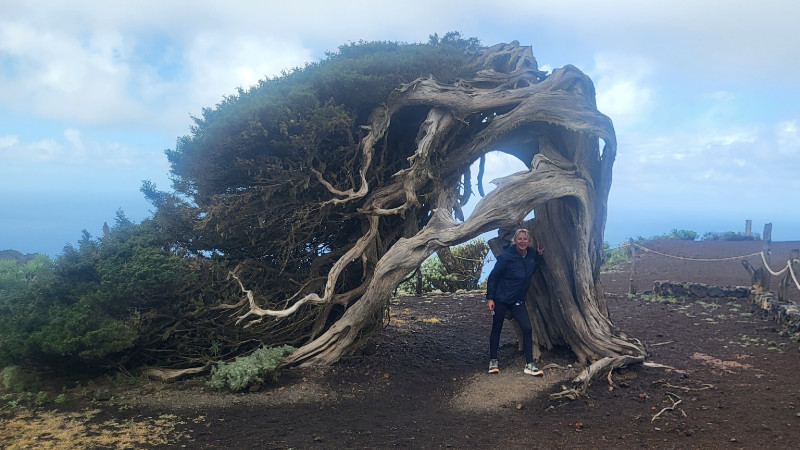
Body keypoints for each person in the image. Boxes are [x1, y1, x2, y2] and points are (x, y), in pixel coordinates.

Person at [485, 228, 545, 376]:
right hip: (501, 298)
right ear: (515, 240)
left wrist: (539, 255)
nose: (522, 241)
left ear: (528, 241)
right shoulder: (506, 257)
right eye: (520, 239)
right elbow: (493, 277)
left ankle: (529, 364)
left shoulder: (530, 255)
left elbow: (531, 268)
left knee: (527, 329)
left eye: (525, 239)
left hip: (518, 301)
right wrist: (490, 298)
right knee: (497, 328)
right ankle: (493, 361)